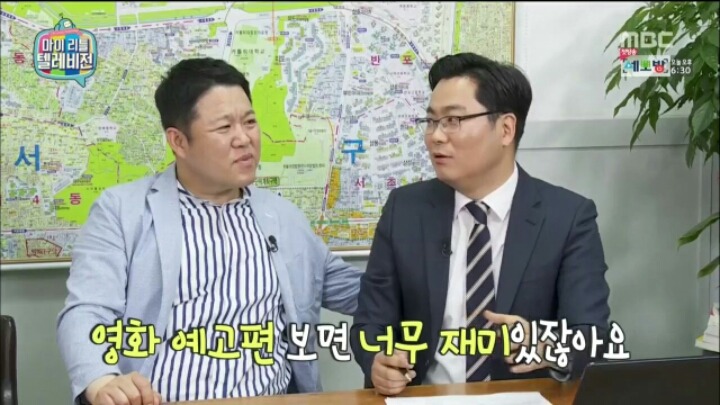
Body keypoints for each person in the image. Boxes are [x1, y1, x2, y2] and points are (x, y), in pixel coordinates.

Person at [56, 57, 363, 405]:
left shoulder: (282, 216)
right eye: (224, 127)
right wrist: (101, 381)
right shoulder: (121, 211)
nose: (244, 139)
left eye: (250, 122)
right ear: (178, 141)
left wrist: (412, 251)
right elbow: (87, 310)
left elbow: (357, 291)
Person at [350, 52, 611, 396]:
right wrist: (376, 360)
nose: (435, 136)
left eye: (452, 120)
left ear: (506, 129)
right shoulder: (405, 210)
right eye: (431, 121)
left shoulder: (567, 217)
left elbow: (592, 338)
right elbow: (370, 322)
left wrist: (546, 346)